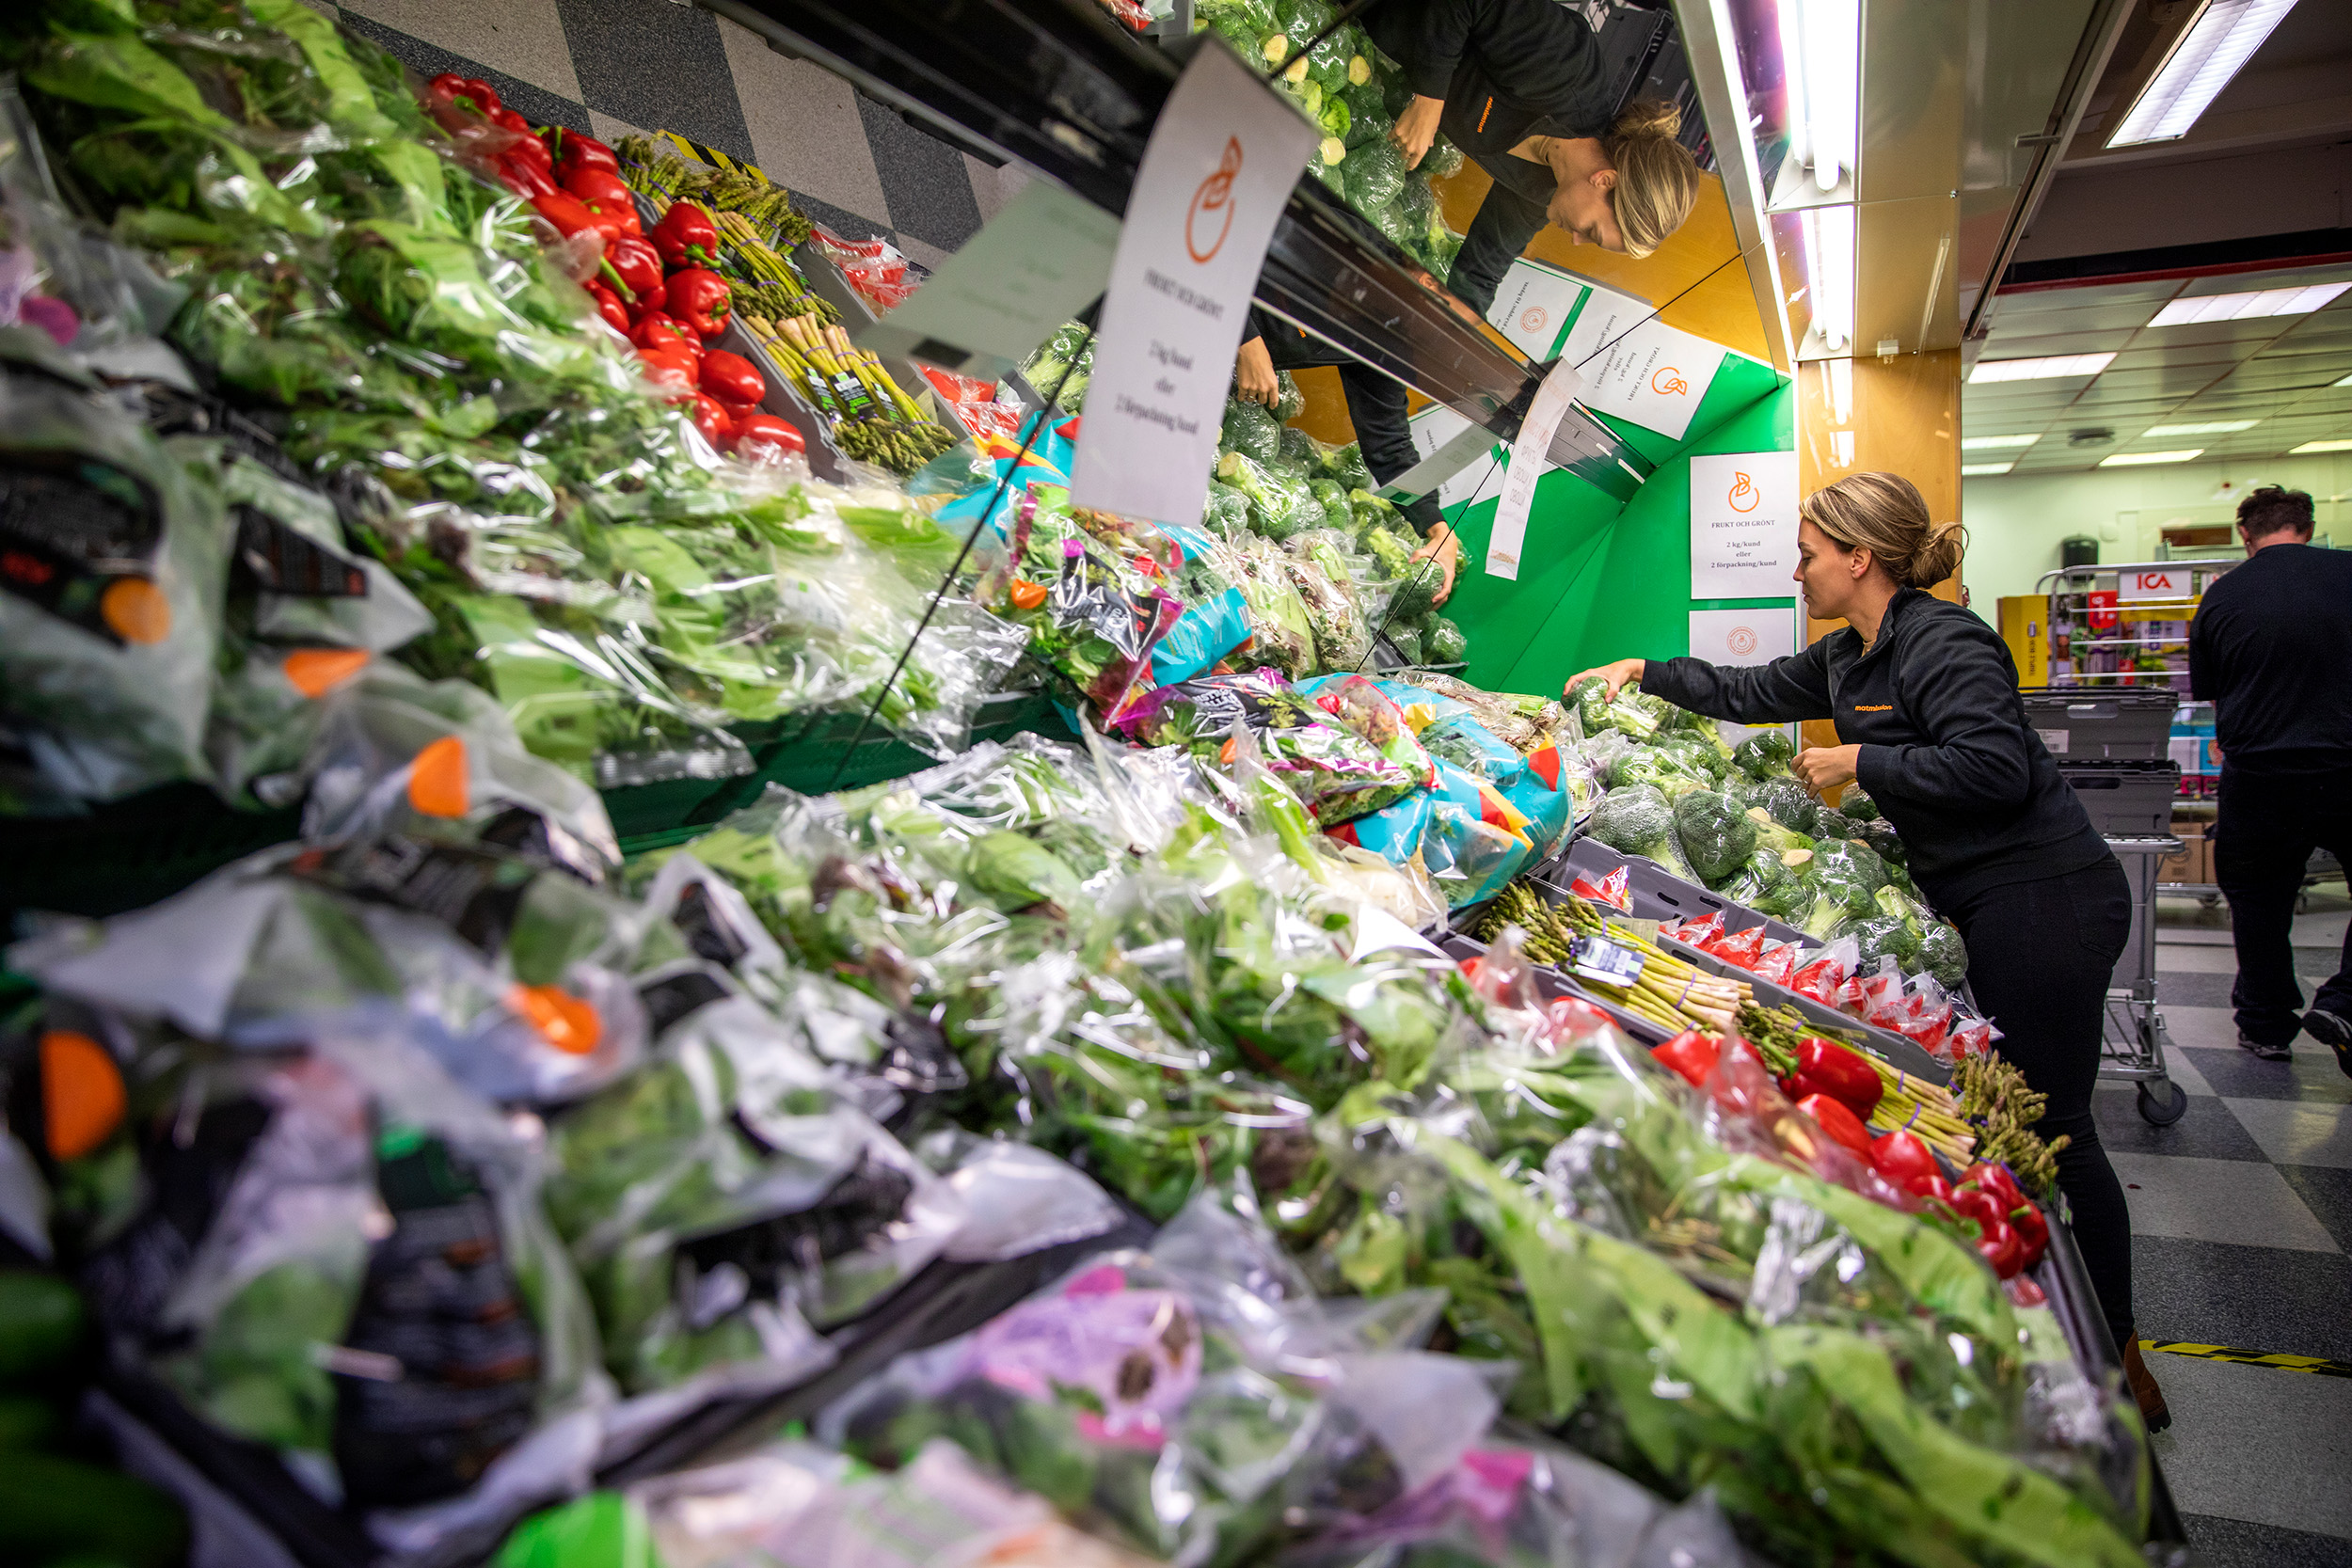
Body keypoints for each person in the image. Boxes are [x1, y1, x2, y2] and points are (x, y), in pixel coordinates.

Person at [1564, 472, 2169, 1430]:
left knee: (2059, 1130)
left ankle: (2117, 1359)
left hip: (2044, 898)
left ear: (1859, 557)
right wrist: (1643, 671)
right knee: (2023, 1118)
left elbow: (1995, 766)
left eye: (1807, 553)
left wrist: (1861, 761)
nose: (1795, 570)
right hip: (1985, 897)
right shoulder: (1853, 653)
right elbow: (1752, 689)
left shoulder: (1944, 639)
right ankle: (2056, 1339)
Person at [1233, 0, 1704, 608]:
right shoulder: (1570, 69)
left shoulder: (1540, 191)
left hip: (1368, 46)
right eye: (1597, 231)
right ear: (1605, 182)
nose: (1579, 239)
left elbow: (1477, 276)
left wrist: (1438, 343)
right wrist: (1430, 97)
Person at [2187, 484, 2352, 1072]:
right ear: (2307, 527)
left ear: (2246, 536)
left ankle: (2266, 1024)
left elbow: (2207, 688)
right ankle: (2346, 999)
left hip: (2260, 772)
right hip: (2348, 763)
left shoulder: (2225, 596)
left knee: (2258, 901)